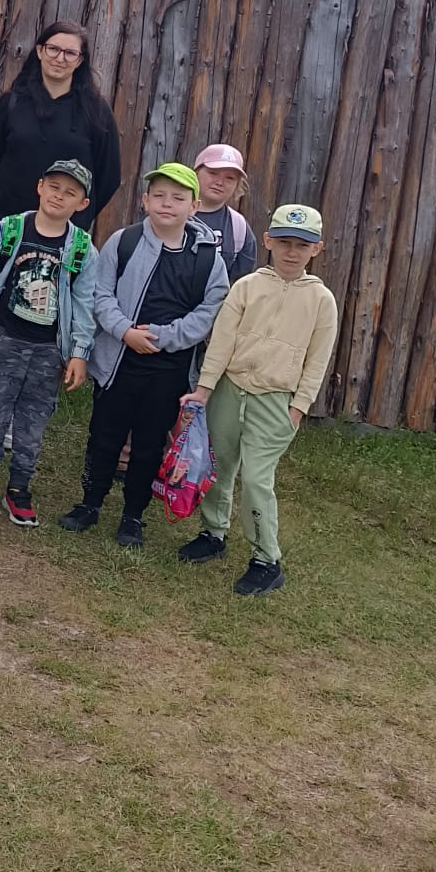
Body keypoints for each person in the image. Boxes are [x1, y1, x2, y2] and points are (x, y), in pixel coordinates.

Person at [59, 161, 229, 551]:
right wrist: (125, 331)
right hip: (119, 363)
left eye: (178, 198)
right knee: (104, 437)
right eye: (159, 196)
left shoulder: (208, 259)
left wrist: (165, 337)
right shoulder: (125, 241)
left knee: (150, 445)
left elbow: (209, 311)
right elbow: (101, 294)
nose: (167, 204)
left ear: (194, 206)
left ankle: (133, 515)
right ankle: (90, 503)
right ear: (145, 200)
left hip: (169, 371)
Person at [178, 204, 338, 596]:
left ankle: (267, 559)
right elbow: (222, 341)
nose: (291, 252)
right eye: (284, 242)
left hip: (275, 400)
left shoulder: (321, 300)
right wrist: (205, 389)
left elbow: (318, 360)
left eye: (302, 245)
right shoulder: (247, 286)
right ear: (267, 241)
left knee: (255, 478)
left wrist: (298, 407)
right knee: (220, 465)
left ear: (316, 249)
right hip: (230, 390)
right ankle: (213, 533)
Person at [0, 159, 99, 527]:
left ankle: (19, 486)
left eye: (70, 192)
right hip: (4, 339)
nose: (59, 196)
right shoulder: (7, 231)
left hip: (49, 350)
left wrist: (79, 353)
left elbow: (84, 305)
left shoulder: (83, 249)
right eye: (54, 187)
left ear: (82, 204)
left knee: (33, 420)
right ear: (40, 187)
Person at [0, 20, 122, 228]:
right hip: (4, 226)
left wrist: (78, 216)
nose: (60, 58)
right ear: (39, 51)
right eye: (53, 49)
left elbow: (108, 176)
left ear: (80, 60)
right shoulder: (11, 103)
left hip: (64, 233)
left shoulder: (97, 112)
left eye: (70, 53)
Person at [191, 144, 259, 283]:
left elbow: (239, 285)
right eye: (213, 173)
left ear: (237, 184)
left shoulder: (239, 228)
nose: (220, 182)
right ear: (195, 173)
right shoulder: (169, 214)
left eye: (229, 178)